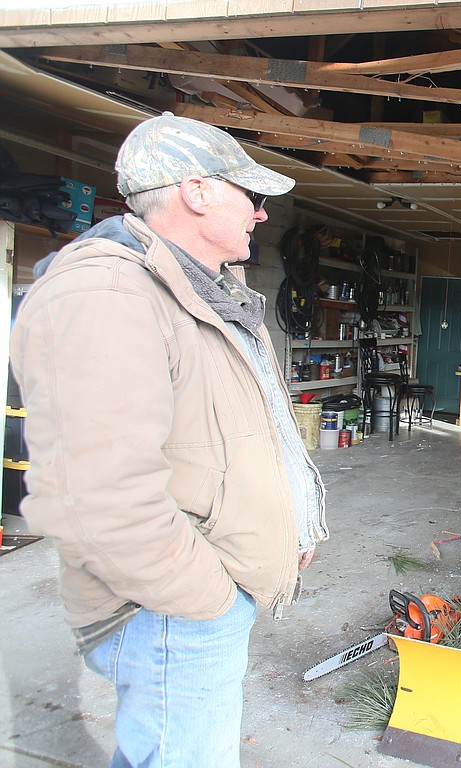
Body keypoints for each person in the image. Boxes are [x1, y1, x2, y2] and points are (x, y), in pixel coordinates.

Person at [10, 113, 328, 767]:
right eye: (252, 195)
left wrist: (283, 529)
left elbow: (239, 432)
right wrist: (208, 601)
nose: (263, 215)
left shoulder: (215, 289)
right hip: (167, 612)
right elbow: (100, 496)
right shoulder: (109, 294)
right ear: (197, 191)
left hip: (197, 599)